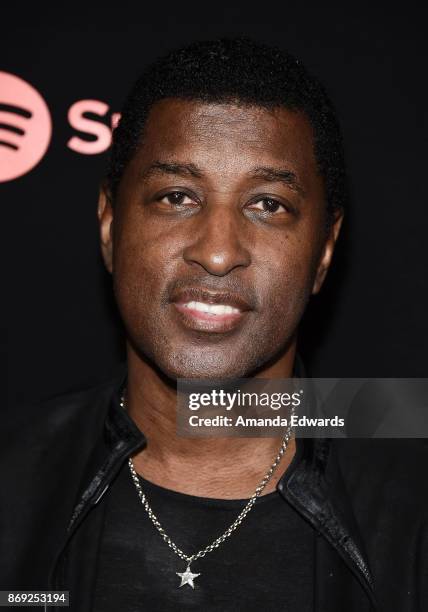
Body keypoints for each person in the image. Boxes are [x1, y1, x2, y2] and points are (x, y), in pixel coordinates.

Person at [1, 37, 426, 612]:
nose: (219, 252)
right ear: (108, 224)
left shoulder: (410, 491)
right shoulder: (13, 474)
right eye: (177, 196)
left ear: (324, 251)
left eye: (268, 205)